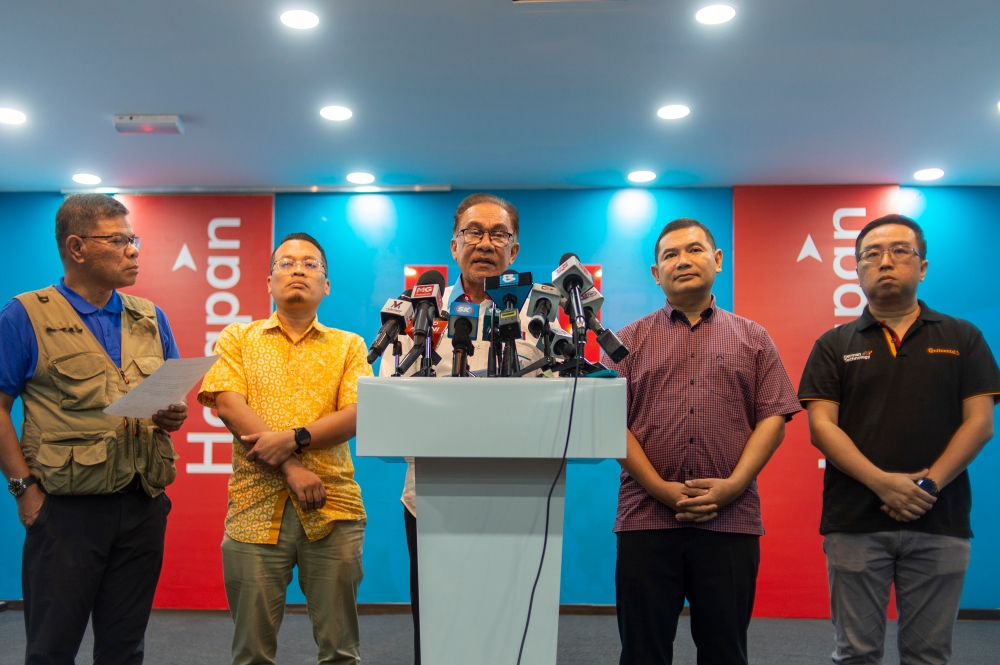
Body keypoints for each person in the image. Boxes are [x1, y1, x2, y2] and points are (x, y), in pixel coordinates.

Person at [799, 214, 999, 665]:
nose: (885, 261)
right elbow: (822, 428)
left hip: (940, 519)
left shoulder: (963, 337)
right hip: (854, 521)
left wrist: (927, 486)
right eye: (872, 254)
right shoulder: (834, 344)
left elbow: (980, 423)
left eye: (899, 251)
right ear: (857, 270)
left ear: (922, 266)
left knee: (928, 655)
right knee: (856, 654)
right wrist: (882, 483)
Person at [0, 193, 187, 664]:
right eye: (119, 240)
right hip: (65, 512)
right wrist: (24, 491)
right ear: (77, 247)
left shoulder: (150, 317)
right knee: (52, 649)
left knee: (125, 649)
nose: (133, 250)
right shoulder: (25, 316)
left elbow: (171, 397)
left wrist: (172, 413)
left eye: (134, 239)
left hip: (142, 506)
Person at [604, 217, 801, 665]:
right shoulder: (626, 343)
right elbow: (609, 422)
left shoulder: (753, 337)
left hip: (730, 519)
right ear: (656, 274)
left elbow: (774, 416)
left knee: (725, 651)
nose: (682, 260)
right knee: (642, 651)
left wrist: (733, 485)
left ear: (717, 260)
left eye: (694, 250)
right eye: (669, 255)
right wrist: (659, 488)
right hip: (646, 518)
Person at [379, 193, 543, 665]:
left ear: (514, 251)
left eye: (499, 234)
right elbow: (394, 400)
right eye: (474, 232)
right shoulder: (419, 317)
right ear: (454, 246)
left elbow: (559, 398)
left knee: (513, 626)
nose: (485, 243)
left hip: (521, 499)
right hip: (433, 500)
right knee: (437, 629)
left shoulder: (539, 318)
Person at [198, 232, 372, 665]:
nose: (298, 270)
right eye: (286, 263)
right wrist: (292, 468)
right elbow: (226, 402)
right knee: (250, 653)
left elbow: (357, 413)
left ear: (326, 285)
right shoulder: (238, 338)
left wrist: (294, 439)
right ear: (269, 280)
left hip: (333, 506)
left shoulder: (349, 345)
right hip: (253, 509)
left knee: (341, 652)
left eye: (311, 264)